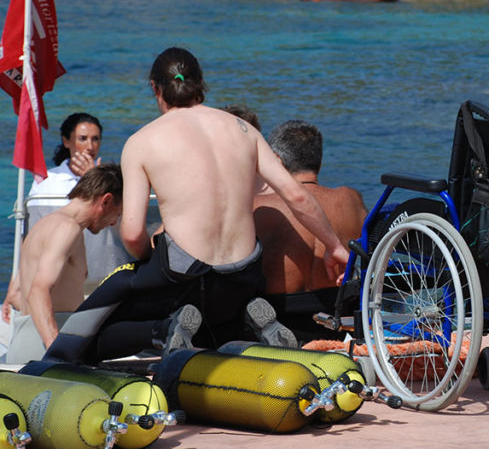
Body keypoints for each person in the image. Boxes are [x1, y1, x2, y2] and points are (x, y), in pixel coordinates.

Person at [44, 47, 350, 363]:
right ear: (201, 84)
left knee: (95, 333)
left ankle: (159, 332)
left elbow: (133, 233)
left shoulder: (142, 141)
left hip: (183, 274)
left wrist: (149, 265)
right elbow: (297, 195)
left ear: (155, 88)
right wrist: (333, 246)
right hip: (244, 275)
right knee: (211, 321)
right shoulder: (243, 130)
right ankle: (246, 321)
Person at [6, 164, 123, 363]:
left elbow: (15, 295)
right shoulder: (67, 228)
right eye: (118, 214)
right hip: (44, 347)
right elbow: (38, 291)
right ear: (107, 200)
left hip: (24, 339)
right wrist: (57, 352)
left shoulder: (41, 226)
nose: (113, 223)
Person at [20, 112, 134, 294]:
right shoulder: (48, 182)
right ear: (66, 141)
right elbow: (30, 234)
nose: (90, 146)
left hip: (103, 269)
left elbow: (123, 222)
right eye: (83, 138)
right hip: (62, 272)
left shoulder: (113, 181)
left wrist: (95, 177)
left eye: (95, 139)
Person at [255, 120, 367, 295]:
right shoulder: (351, 199)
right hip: (336, 309)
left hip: (278, 312)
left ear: (276, 161)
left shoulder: (259, 206)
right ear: (320, 164)